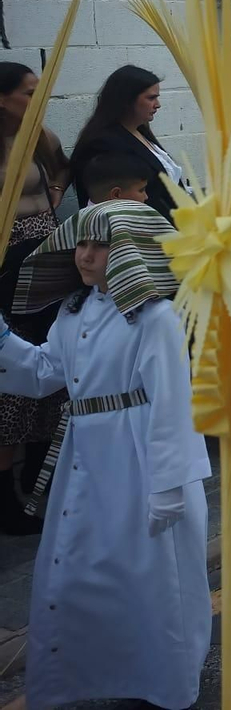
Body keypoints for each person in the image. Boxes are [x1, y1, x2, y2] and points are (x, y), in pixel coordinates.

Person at [4, 202, 209, 709]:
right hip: (86, 456)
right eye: (81, 243)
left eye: (100, 245)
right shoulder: (74, 310)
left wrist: (168, 484)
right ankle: (106, 671)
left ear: (131, 254)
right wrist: (4, 341)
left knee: (149, 575)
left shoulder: (154, 316)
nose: (85, 255)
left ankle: (164, 682)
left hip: (139, 457)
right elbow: (45, 372)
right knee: (92, 569)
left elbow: (170, 402)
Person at [0, 63, 68, 534]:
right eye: (28, 93)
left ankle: (36, 477)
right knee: (13, 386)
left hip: (45, 253)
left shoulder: (40, 134)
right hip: (8, 263)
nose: (36, 99)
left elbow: (61, 166)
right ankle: (5, 498)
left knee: (53, 368)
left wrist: (56, 191)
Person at [69, 64, 188, 221]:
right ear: (127, 100)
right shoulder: (104, 144)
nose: (157, 104)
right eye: (151, 98)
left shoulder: (139, 132)